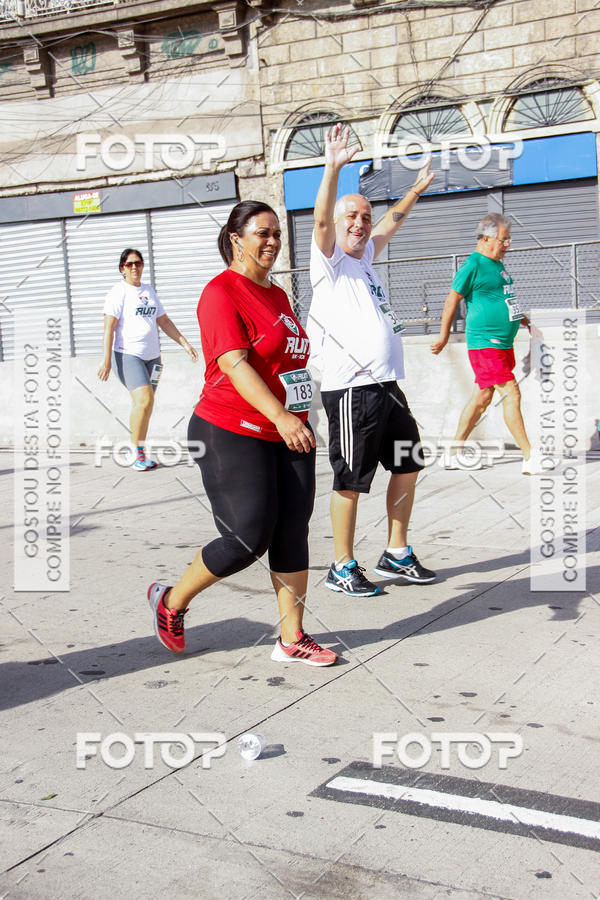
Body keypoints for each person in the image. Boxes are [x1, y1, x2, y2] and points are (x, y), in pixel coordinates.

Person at [148, 201, 338, 666]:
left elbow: (286, 362)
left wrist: (296, 415)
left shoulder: (277, 295)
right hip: (229, 427)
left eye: (276, 234)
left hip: (288, 429)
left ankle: (291, 638)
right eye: (262, 233)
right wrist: (280, 416)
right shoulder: (220, 292)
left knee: (293, 531)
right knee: (247, 537)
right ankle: (171, 601)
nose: (272, 241)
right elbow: (234, 364)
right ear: (236, 239)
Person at [306, 123, 437, 598]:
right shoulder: (331, 262)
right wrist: (332, 169)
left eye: (364, 217)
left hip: (387, 386)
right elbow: (321, 223)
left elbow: (390, 223)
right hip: (351, 390)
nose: (360, 224)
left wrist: (416, 189)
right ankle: (341, 565)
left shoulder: (365, 260)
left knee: (408, 462)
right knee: (351, 479)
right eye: (351, 218)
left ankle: (395, 553)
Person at [430, 213, 535, 474]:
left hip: (502, 343)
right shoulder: (473, 264)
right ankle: (531, 456)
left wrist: (526, 321)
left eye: (509, 239)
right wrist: (444, 335)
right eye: (504, 240)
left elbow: (503, 299)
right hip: (485, 343)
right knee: (512, 392)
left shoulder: (498, 265)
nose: (508, 245)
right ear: (486, 238)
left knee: (481, 398)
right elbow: (452, 299)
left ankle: (453, 453)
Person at [98, 248, 198, 470]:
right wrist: (106, 360)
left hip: (153, 358)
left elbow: (163, 321)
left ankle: (139, 450)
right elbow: (109, 327)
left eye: (138, 263)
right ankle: (137, 453)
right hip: (127, 355)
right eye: (129, 264)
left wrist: (184, 343)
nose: (135, 267)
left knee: (146, 404)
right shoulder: (118, 292)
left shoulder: (149, 291)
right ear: (122, 268)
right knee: (144, 400)